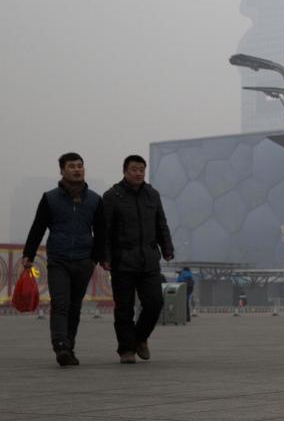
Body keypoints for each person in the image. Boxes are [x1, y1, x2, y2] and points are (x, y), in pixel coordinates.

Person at [18, 153, 103, 366]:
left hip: (84, 260)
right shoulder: (50, 198)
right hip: (59, 259)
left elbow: (101, 232)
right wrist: (29, 253)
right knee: (60, 303)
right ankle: (60, 345)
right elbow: (38, 227)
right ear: (62, 170)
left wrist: (96, 258)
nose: (77, 170)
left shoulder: (94, 199)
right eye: (72, 166)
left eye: (80, 166)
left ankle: (69, 345)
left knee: (75, 306)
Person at [102, 155, 174, 364]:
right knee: (123, 307)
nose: (138, 173)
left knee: (155, 302)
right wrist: (105, 257)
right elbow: (105, 230)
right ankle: (126, 349)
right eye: (134, 169)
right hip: (122, 259)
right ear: (125, 171)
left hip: (149, 259)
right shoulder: (112, 196)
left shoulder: (152, 195)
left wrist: (167, 248)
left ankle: (140, 338)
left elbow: (162, 224)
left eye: (142, 169)